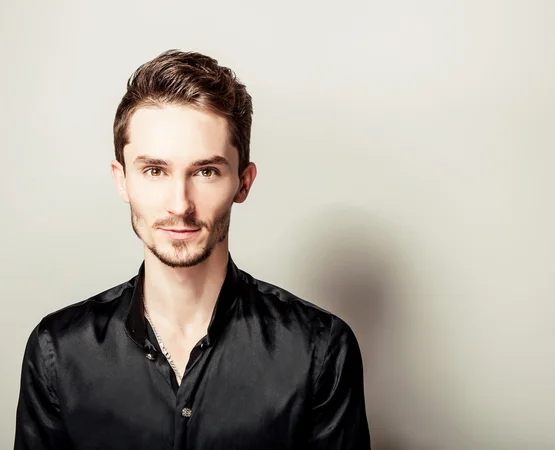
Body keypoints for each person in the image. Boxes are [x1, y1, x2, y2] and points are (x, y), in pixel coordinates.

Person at [14, 49, 371, 449]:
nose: (180, 204)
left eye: (206, 171)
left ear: (243, 183)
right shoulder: (58, 351)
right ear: (122, 181)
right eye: (154, 171)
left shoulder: (318, 350)